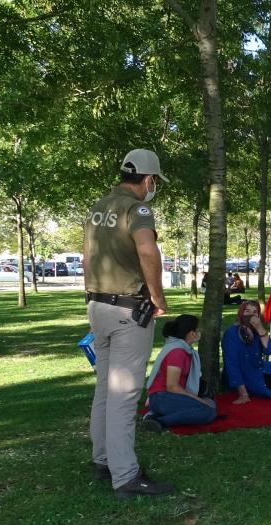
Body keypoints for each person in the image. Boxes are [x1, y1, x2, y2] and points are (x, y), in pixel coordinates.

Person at [83, 148, 172, 499]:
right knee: (124, 393)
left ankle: (103, 460)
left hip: (98, 305)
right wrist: (158, 297)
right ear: (148, 179)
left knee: (105, 389)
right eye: (155, 182)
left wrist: (91, 294)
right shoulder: (138, 210)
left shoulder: (97, 208)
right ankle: (126, 476)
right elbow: (148, 251)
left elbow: (88, 257)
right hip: (127, 310)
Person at [142, 314, 218, 429]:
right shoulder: (177, 352)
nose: (199, 332)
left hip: (170, 396)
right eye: (197, 329)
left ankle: (157, 414)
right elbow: (172, 387)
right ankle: (158, 421)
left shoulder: (184, 349)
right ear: (191, 333)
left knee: (211, 404)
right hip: (161, 397)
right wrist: (198, 400)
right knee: (208, 412)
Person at [222, 300, 271, 403]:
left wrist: (260, 328)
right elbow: (232, 365)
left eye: (254, 312)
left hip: (258, 369)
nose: (251, 315)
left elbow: (270, 350)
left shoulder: (256, 330)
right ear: (241, 313)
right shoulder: (231, 333)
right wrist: (243, 394)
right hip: (243, 375)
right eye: (247, 311)